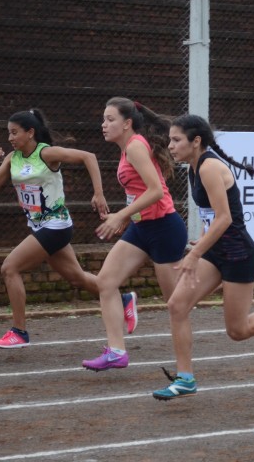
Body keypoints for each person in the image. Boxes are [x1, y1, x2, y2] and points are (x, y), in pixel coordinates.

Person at [154, 114, 254, 400]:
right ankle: (185, 378)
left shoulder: (209, 167)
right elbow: (211, 216)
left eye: (176, 140)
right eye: (170, 140)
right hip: (216, 251)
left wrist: (195, 253)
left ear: (196, 141)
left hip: (238, 254)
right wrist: (203, 240)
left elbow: (225, 218)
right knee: (177, 306)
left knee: (238, 331)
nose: (170, 146)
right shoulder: (194, 168)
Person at [0, 108, 138, 349]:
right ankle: (123, 299)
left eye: (14, 133)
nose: (10, 138)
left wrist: (98, 193)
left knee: (10, 268)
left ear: (30, 132)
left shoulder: (46, 153)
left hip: (55, 225)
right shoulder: (12, 158)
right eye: (9, 133)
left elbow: (89, 157)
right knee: (77, 278)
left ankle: (19, 332)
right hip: (39, 227)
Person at [81, 97, 187, 371]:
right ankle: (117, 351)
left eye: (110, 119)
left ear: (127, 123)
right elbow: (139, 193)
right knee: (106, 282)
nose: (104, 125)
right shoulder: (127, 148)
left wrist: (121, 215)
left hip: (164, 228)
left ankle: (186, 370)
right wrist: (126, 217)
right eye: (103, 120)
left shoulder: (136, 146)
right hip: (141, 228)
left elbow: (156, 191)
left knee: (176, 304)